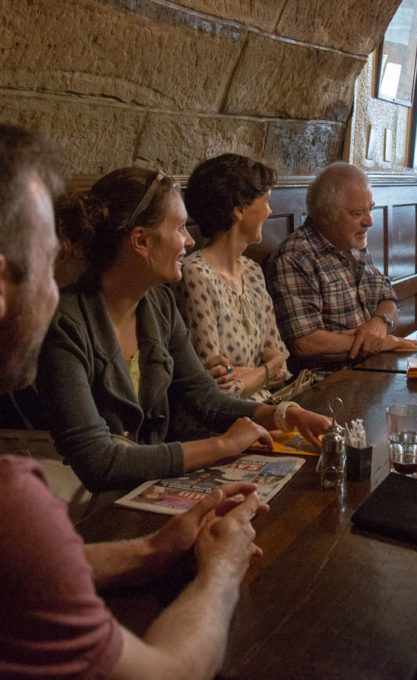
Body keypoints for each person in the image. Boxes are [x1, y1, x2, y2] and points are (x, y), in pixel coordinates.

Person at [0, 122, 269, 680]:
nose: (55, 288)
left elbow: (33, 569)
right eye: (48, 264)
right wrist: (219, 570)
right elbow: (169, 671)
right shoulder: (14, 506)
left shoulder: (158, 306)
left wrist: (151, 552)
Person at [36, 166, 331, 492]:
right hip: (79, 508)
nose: (189, 241)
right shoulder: (65, 324)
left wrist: (284, 415)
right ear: (141, 240)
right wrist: (223, 446)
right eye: (179, 228)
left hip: (140, 489)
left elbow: (205, 398)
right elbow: (98, 462)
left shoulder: (157, 304)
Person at [267, 162, 417, 371]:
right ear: (325, 215)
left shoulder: (354, 245)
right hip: (327, 386)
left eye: (370, 209)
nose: (370, 221)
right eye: (357, 213)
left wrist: (379, 323)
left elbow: (387, 296)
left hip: (371, 373)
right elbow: (305, 343)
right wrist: (379, 343)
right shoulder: (296, 257)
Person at [173, 153, 291, 403]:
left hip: (266, 411)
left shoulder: (252, 271)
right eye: (266, 201)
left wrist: (253, 374)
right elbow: (217, 392)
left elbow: (283, 364)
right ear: (238, 209)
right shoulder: (195, 275)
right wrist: (267, 369)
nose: (270, 211)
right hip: (223, 427)